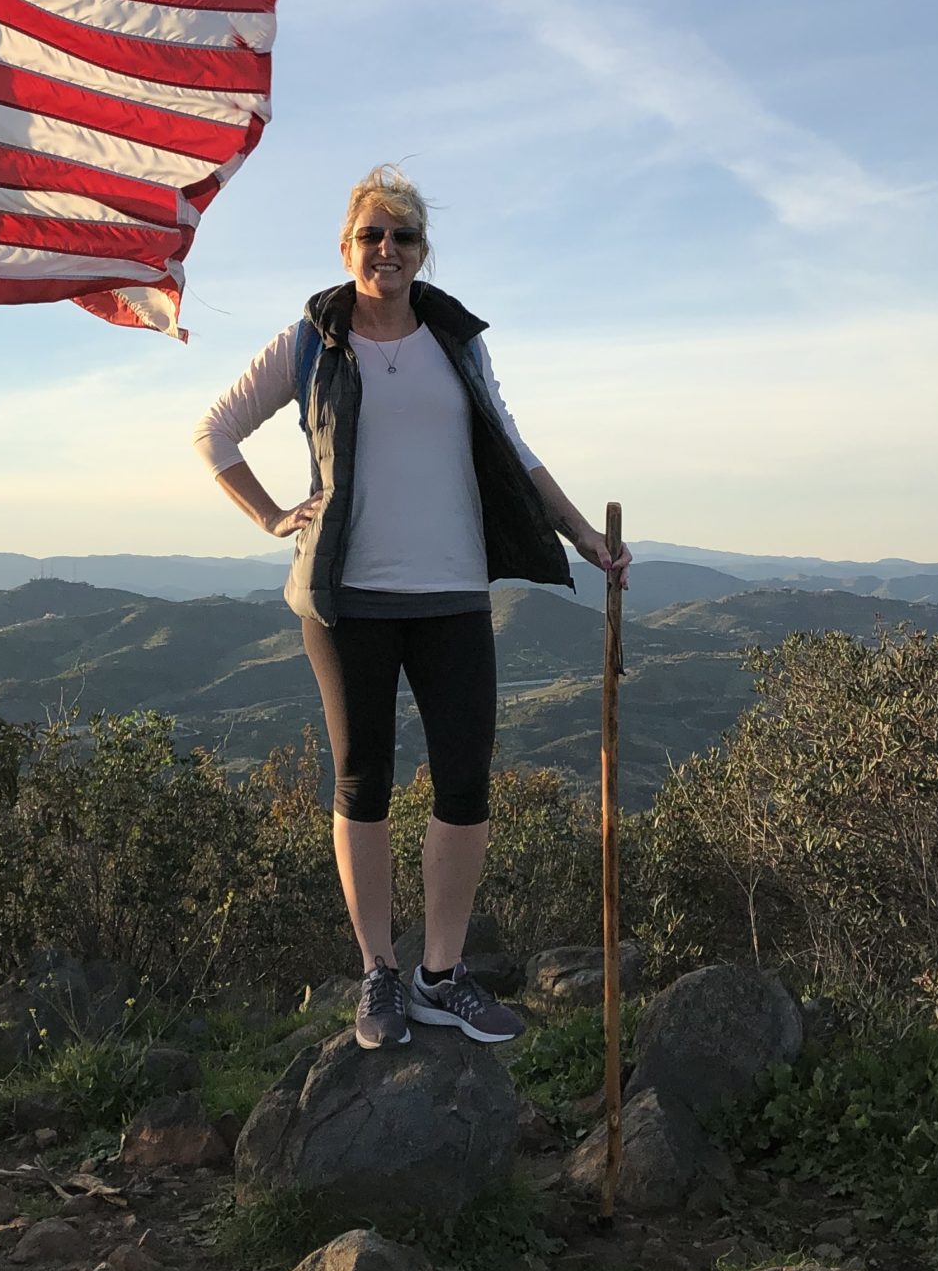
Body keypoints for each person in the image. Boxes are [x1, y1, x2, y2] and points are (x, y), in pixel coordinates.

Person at [193, 165, 632, 1050]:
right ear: (347, 247)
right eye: (372, 236)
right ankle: (379, 976)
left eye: (404, 237)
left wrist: (584, 537)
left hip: (452, 590)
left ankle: (442, 972)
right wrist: (274, 514)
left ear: (423, 252)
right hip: (345, 595)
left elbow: (513, 448)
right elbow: (215, 433)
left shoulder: (455, 342)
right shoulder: (310, 342)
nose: (387, 250)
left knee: (465, 780)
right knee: (365, 783)